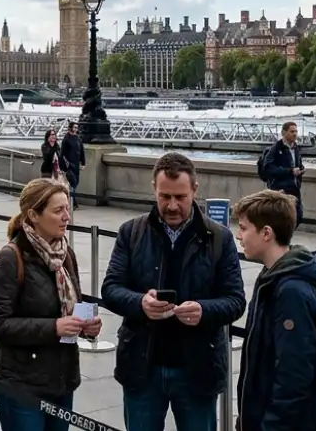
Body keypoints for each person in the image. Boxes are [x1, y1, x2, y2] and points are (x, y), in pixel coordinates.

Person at [100, 152, 246, 431]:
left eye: (180, 197)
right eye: (164, 196)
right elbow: (111, 288)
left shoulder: (220, 238)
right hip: (142, 367)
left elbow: (236, 300)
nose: (172, 205)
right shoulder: (131, 232)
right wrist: (140, 303)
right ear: (153, 188)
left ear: (195, 190)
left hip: (198, 370)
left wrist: (204, 310)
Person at [0, 178, 97, 431]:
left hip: (62, 379)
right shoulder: (9, 258)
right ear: (33, 215)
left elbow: (71, 306)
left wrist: (86, 327)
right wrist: (54, 327)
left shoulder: (66, 254)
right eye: (58, 210)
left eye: (67, 208)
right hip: (21, 384)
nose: (66, 216)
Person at [233, 189, 316, 431]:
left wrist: (271, 425)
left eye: (244, 228)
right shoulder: (272, 276)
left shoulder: (290, 292)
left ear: (266, 233)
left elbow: (294, 375)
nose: (238, 235)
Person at [261, 121, 304, 225]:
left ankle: (286, 234)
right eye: (292, 131)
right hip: (280, 189)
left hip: (294, 188)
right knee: (281, 218)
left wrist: (301, 170)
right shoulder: (276, 148)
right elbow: (268, 168)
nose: (295, 134)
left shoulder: (296, 148)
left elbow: (298, 164)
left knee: (298, 216)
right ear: (284, 133)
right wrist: (290, 171)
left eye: (296, 131)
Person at [58, 122, 85, 208]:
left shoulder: (78, 138)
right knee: (73, 182)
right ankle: (73, 203)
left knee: (76, 182)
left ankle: (72, 201)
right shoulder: (66, 139)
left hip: (76, 164)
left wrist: (83, 162)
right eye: (75, 127)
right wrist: (62, 167)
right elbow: (62, 154)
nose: (76, 129)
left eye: (77, 128)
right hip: (69, 165)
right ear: (70, 128)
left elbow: (81, 151)